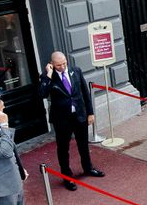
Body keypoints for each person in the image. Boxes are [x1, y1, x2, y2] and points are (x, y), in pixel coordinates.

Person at [39, 51, 104, 191]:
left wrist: (90, 113)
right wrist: (49, 75)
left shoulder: (76, 71)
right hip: (62, 119)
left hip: (79, 115)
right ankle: (67, 177)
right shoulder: (48, 76)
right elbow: (43, 93)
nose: (62, 67)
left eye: (64, 64)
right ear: (52, 64)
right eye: (58, 65)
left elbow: (85, 93)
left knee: (83, 145)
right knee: (63, 149)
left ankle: (88, 168)